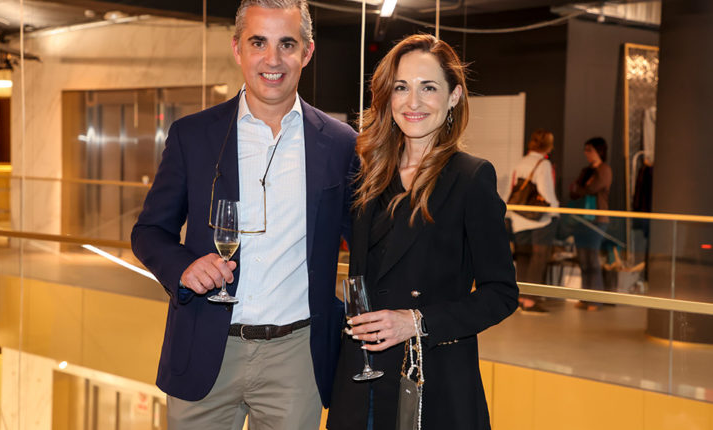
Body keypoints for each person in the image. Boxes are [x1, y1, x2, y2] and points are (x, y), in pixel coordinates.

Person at [131, 1, 357, 428]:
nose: (272, 60)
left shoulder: (340, 143)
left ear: (307, 52)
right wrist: (184, 268)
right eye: (258, 43)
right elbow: (149, 231)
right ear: (237, 49)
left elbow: (369, 238)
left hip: (296, 357)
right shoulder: (193, 135)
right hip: (203, 349)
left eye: (287, 44)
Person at [327, 34, 518, 430]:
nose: (412, 102)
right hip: (361, 379)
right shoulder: (368, 174)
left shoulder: (471, 178)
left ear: (454, 96)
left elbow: (501, 293)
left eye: (428, 87)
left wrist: (416, 321)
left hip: (431, 379)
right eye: (401, 87)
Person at [505, 129, 559, 313]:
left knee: (523, 257)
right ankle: (530, 300)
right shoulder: (543, 164)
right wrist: (556, 212)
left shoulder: (520, 162)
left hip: (518, 218)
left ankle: (521, 297)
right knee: (539, 258)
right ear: (548, 146)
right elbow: (546, 193)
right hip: (539, 220)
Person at [569, 137, 612, 311]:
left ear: (599, 151)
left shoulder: (604, 169)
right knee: (583, 260)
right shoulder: (586, 170)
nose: (586, 153)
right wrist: (582, 188)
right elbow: (574, 191)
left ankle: (595, 299)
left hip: (597, 220)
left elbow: (593, 188)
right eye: (585, 150)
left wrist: (582, 188)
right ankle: (585, 297)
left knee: (592, 259)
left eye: (590, 150)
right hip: (582, 219)